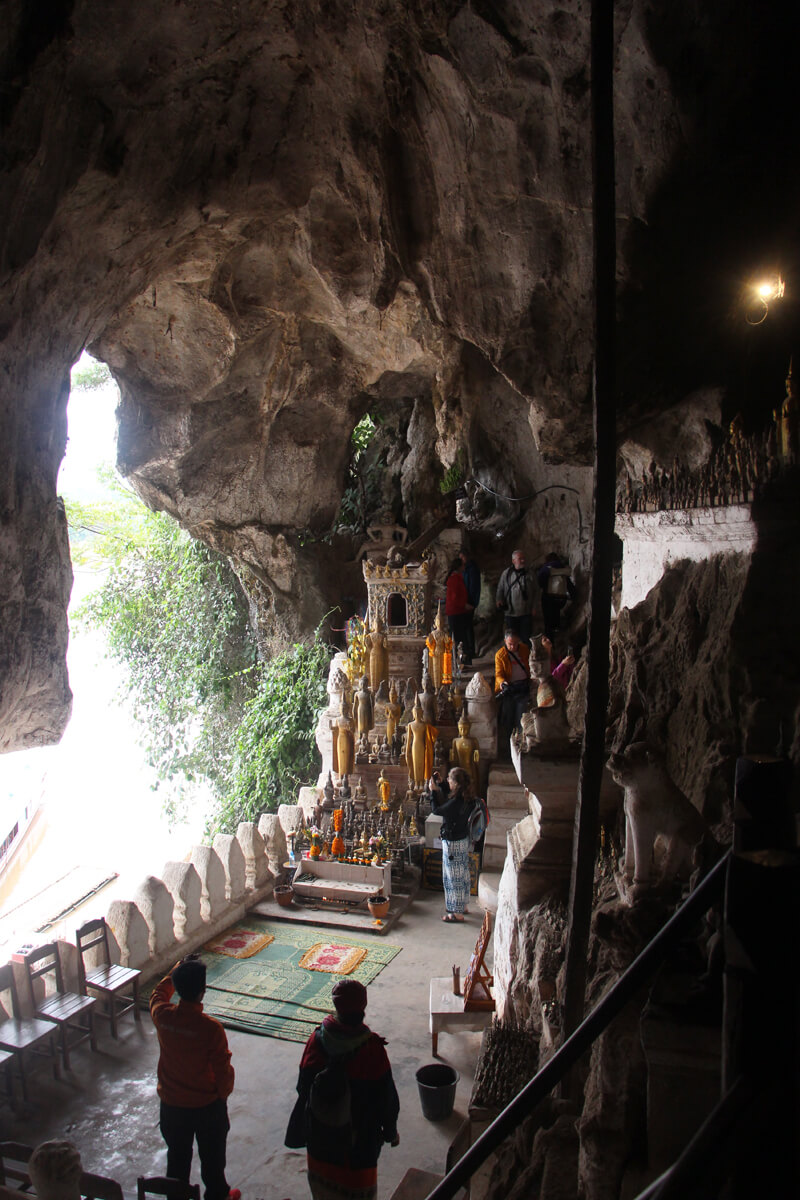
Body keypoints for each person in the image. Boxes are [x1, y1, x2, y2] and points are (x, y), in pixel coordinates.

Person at [285, 978, 400, 1200]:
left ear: (336, 1006)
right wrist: (391, 1132)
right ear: (363, 1007)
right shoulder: (372, 1050)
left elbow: (302, 1088)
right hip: (359, 1146)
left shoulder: (317, 1040)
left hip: (321, 1139)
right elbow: (386, 1100)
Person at [149, 955, 239, 1200]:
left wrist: (176, 968)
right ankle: (218, 1196)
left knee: (177, 1160)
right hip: (207, 1107)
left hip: (172, 1106)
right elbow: (223, 1072)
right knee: (213, 1162)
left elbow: (157, 993)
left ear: (177, 989)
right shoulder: (210, 1028)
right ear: (203, 991)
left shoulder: (162, 1015)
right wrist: (222, 1098)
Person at [428, 766, 475, 921]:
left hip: (453, 843)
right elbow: (449, 800)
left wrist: (433, 792)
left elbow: (437, 810)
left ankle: (456, 913)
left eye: (449, 778)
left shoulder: (456, 802)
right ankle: (463, 905)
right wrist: (441, 785)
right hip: (463, 840)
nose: (447, 780)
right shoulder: (467, 797)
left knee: (452, 878)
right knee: (463, 874)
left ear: (455, 783)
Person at [494, 628, 531, 752]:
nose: (513, 646)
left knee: (521, 717)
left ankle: (520, 745)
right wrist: (502, 682)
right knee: (508, 717)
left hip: (523, 688)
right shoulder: (500, 655)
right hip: (509, 689)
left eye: (515, 643)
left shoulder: (525, 649)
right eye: (510, 644)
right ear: (505, 641)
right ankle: (508, 747)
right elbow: (498, 674)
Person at [496, 549, 535, 645]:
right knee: (512, 639)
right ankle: (513, 658)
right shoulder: (507, 574)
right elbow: (500, 588)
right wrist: (499, 599)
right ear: (513, 561)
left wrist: (534, 607)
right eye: (520, 559)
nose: (522, 561)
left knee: (526, 639)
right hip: (511, 613)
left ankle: (525, 658)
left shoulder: (530, 573)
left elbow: (536, 591)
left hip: (526, 612)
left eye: (523, 558)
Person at [536, 552, 576, 642]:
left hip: (549, 599)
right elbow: (570, 586)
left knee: (548, 624)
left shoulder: (546, 569)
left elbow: (540, 582)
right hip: (561, 600)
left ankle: (550, 644)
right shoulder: (563, 570)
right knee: (556, 615)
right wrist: (574, 597)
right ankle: (557, 630)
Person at [445, 557, 472, 664]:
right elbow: (454, 598)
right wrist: (464, 605)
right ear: (460, 567)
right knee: (459, 638)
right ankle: (461, 661)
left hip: (458, 612)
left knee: (461, 637)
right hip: (456, 612)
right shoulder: (454, 579)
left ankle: (462, 661)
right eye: (463, 565)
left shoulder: (456, 578)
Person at [459, 549, 481, 664]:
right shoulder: (464, 569)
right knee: (466, 626)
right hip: (464, 602)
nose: (461, 560)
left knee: (468, 627)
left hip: (469, 602)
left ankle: (471, 650)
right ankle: (468, 650)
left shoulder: (472, 569)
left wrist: (472, 603)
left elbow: (473, 587)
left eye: (463, 557)